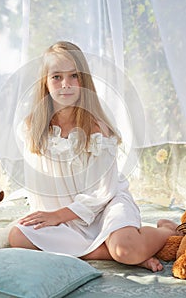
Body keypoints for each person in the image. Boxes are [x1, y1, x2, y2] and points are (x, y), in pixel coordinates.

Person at [9, 40, 179, 272]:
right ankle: (105, 253)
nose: (65, 85)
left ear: (84, 81)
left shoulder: (97, 130)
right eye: (56, 77)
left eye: (74, 76)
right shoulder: (32, 127)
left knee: (125, 249)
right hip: (63, 212)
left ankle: (165, 231)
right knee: (17, 236)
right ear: (45, 83)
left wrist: (59, 216)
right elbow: (40, 185)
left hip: (105, 204)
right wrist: (53, 217)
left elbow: (102, 192)